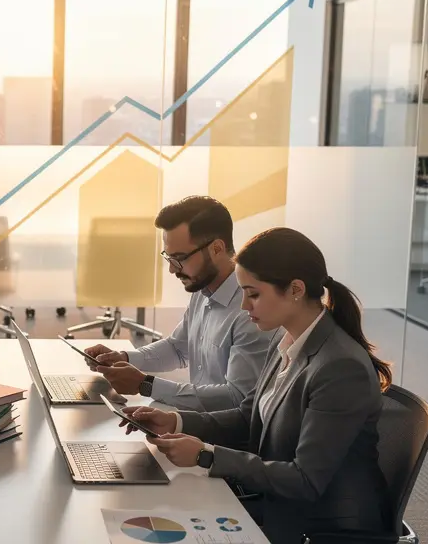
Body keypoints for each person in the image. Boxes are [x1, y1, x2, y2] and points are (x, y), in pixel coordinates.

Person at [122, 227, 393, 543]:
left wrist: (205, 455)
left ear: (294, 289)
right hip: (277, 504)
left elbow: (304, 480)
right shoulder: (286, 338)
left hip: (322, 527)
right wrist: (176, 421)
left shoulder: (340, 367)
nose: (244, 306)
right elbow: (248, 417)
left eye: (253, 294)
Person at [83, 196, 277, 411]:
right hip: (194, 422)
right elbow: (178, 348)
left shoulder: (251, 311)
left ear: (217, 248)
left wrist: (146, 385)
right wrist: (124, 358)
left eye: (180, 258)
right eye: (169, 258)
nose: (173, 269)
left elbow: (238, 399)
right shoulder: (202, 289)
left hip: (222, 436)